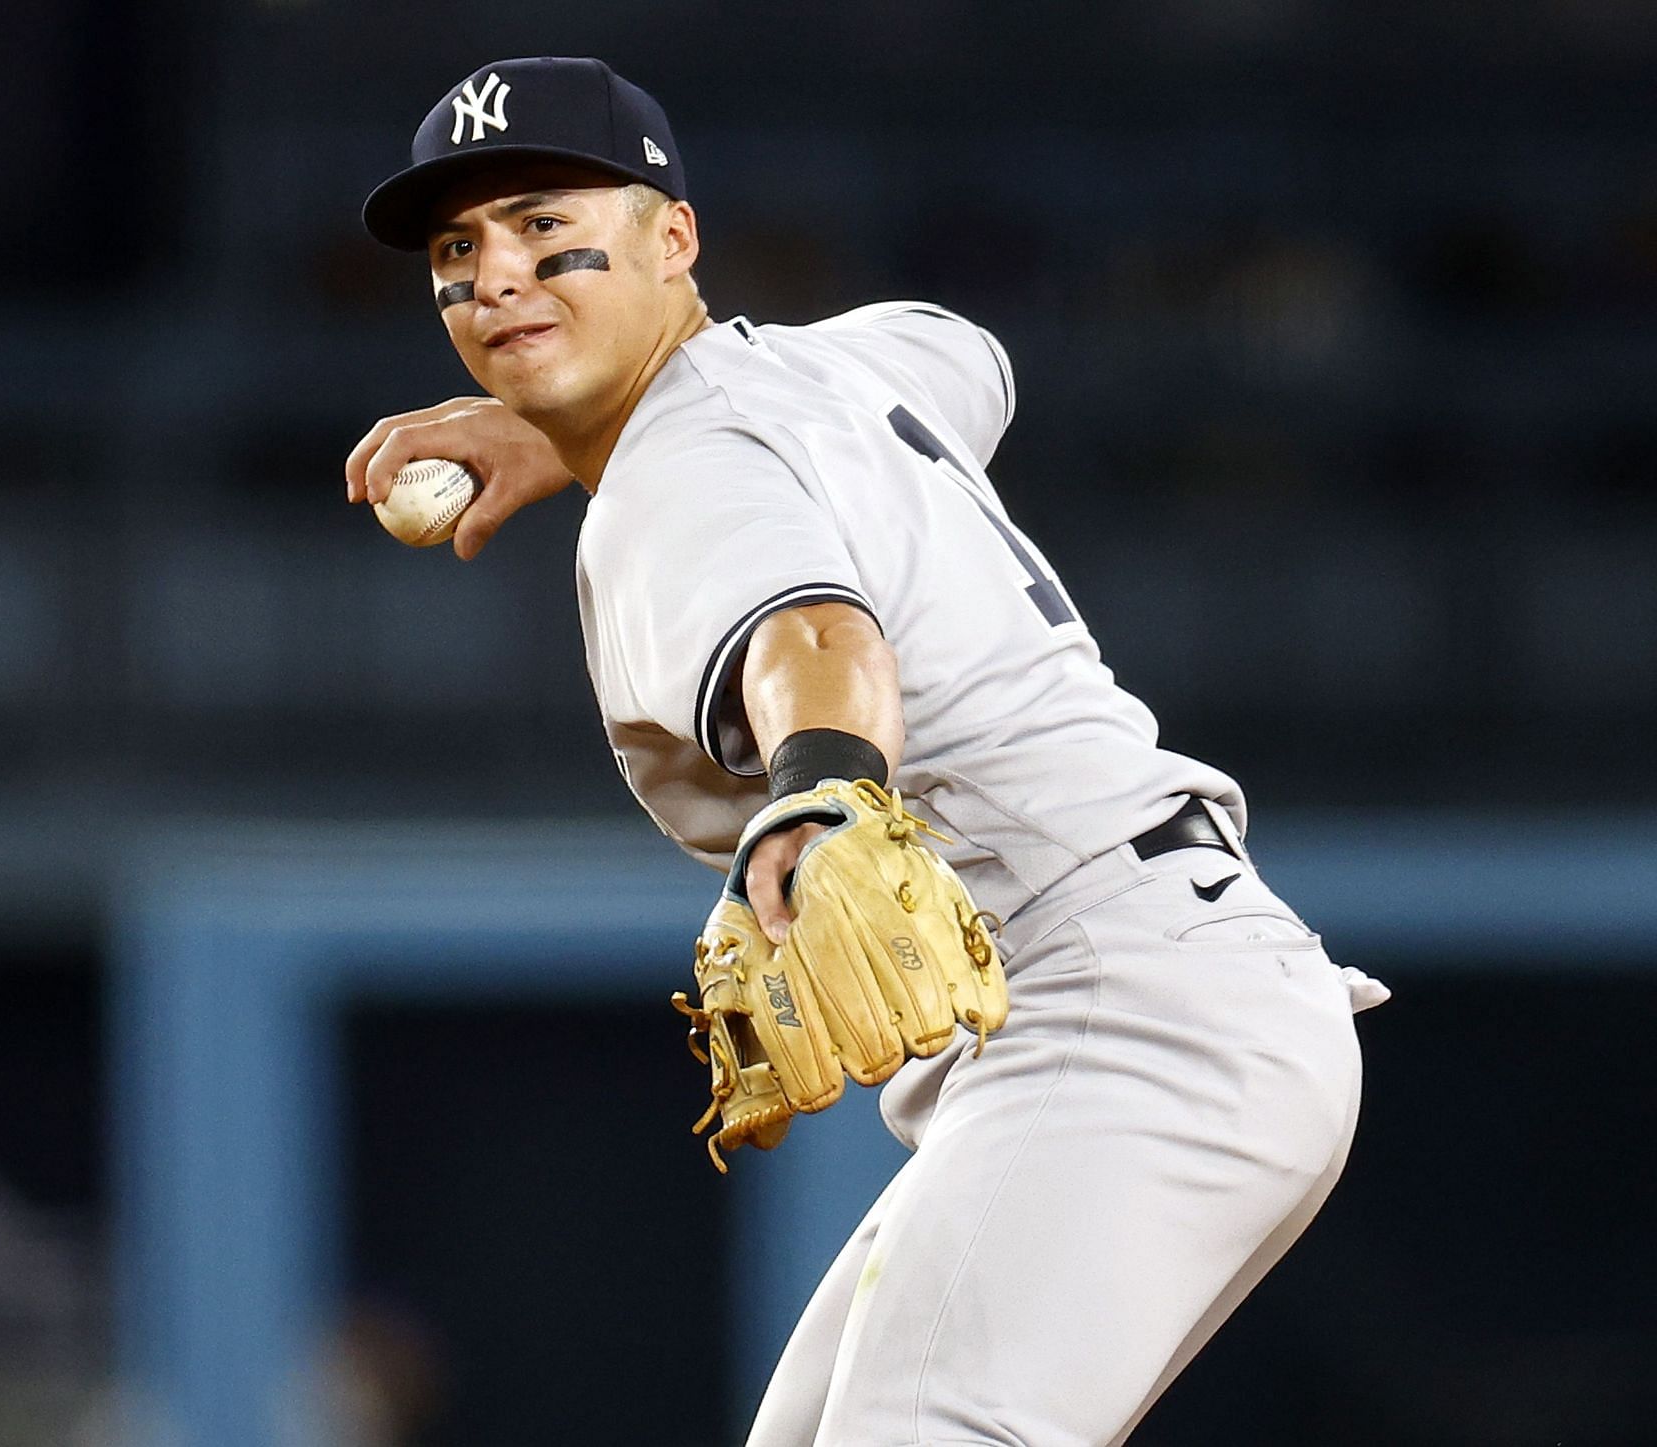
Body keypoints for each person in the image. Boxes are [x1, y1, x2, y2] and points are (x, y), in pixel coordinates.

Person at [346, 56, 1389, 1447]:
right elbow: (971, 355)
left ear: (675, 234)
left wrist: (824, 790)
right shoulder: (849, 365)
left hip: (1114, 1002)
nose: (499, 274)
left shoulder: (680, 474)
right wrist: (570, 426)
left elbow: (819, 636)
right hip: (1186, 984)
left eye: (547, 223)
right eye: (459, 250)